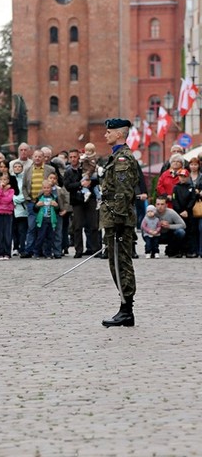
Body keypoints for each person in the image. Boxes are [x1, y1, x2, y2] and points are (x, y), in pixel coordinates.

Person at [99, 119, 139, 327]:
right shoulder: (116, 156)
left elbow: (123, 193)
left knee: (120, 263)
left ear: (119, 134)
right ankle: (124, 308)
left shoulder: (122, 158)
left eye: (109, 132)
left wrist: (119, 220)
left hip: (118, 219)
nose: (105, 135)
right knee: (116, 263)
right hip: (114, 216)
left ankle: (126, 310)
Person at [22, 150, 57, 258]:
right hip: (32, 202)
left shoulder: (50, 169)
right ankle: (30, 250)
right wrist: (27, 198)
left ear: (43, 158)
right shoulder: (27, 170)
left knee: (46, 229)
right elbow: (24, 186)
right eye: (35, 156)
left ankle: (45, 251)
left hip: (46, 203)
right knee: (32, 227)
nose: (37, 158)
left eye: (39, 156)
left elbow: (54, 184)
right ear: (32, 157)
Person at [171, 169, 198, 257]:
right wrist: (180, 210)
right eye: (180, 176)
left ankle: (189, 251)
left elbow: (193, 199)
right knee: (179, 232)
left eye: (184, 177)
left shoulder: (191, 187)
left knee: (190, 231)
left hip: (188, 213)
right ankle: (178, 251)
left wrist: (187, 210)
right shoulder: (176, 187)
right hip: (178, 213)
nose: (182, 178)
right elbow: (174, 200)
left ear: (187, 177)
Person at [0, 173, 15, 260]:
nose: (3, 181)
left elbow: (8, 199)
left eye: (5, 179)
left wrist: (2, 197)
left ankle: (7, 253)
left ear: (8, 181)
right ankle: (0, 253)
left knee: (7, 234)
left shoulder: (11, 190)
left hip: (8, 213)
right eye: (1, 179)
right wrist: (1, 190)